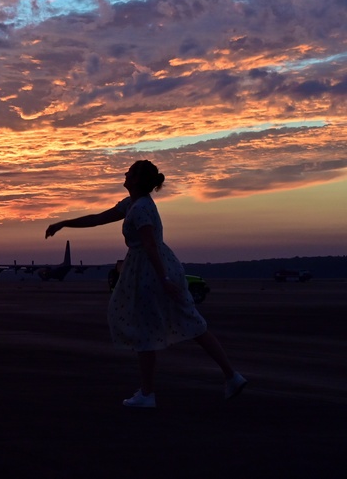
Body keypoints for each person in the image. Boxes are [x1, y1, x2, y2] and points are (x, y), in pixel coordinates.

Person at [45, 160, 246, 408]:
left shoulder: (140, 208)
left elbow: (150, 245)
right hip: (151, 267)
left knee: (147, 327)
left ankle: (149, 393)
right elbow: (98, 218)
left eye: (129, 172)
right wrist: (64, 223)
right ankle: (229, 376)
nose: (125, 174)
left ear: (138, 180)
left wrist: (164, 279)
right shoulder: (133, 204)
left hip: (148, 270)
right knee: (186, 322)